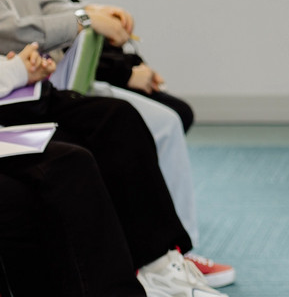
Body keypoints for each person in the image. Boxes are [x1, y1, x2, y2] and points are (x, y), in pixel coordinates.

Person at [0, 0, 235, 289]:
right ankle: (155, 265)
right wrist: (84, 20)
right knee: (95, 147)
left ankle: (164, 260)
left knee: (121, 118)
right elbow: (12, 32)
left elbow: (39, 7)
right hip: (19, 98)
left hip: (30, 88)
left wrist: (88, 10)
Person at [0, 42, 227, 296]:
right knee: (71, 163)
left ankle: (160, 263)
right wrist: (17, 69)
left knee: (118, 117)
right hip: (14, 100)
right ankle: (144, 274)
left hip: (23, 91)